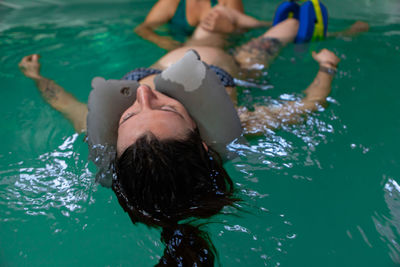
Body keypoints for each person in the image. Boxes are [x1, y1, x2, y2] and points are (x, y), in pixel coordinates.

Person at [19, 6, 355, 266]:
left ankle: (223, 24)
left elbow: (62, 102)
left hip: (174, 52)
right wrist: (327, 66)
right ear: (203, 140)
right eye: (169, 111)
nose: (142, 96)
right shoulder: (237, 124)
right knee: (291, 26)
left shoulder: (106, 135)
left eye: (130, 116)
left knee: (202, 26)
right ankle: (248, 25)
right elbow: (309, 104)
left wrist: (36, 76)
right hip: (233, 64)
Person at [134, 0, 271, 50]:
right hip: (182, 50)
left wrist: (231, 30)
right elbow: (143, 28)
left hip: (218, 50)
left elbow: (243, 33)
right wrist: (162, 41)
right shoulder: (173, 2)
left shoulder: (227, 1)